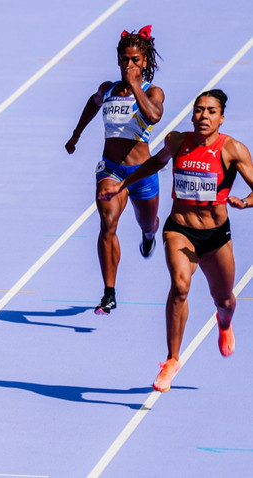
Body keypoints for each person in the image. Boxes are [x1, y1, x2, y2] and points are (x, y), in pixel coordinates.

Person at [99, 89, 253, 392]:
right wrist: (123, 185)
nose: (203, 116)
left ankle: (224, 322)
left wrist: (247, 202)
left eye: (210, 111)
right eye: (198, 110)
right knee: (180, 286)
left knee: (224, 300)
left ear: (221, 118)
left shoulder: (232, 150)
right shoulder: (177, 141)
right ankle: (171, 359)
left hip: (215, 236)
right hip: (178, 229)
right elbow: (154, 163)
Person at [65, 26, 165, 315]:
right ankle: (109, 292)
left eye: (135, 60)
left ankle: (149, 235)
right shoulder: (107, 89)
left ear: (144, 61)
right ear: (118, 60)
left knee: (147, 223)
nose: (129, 65)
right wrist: (76, 134)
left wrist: (135, 85)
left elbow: (154, 116)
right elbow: (93, 104)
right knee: (107, 223)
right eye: (124, 59)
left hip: (142, 174)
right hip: (111, 172)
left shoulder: (151, 91)